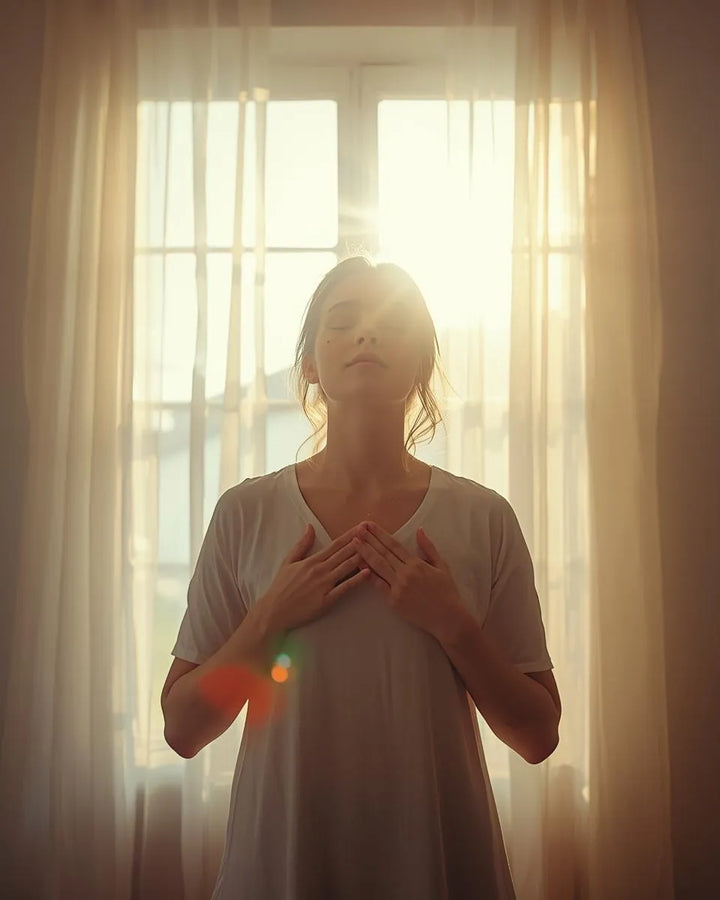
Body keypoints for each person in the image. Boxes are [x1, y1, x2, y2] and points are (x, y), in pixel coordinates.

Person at [161, 255, 561, 899]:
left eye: (390, 325)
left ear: (422, 363)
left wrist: (453, 626)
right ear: (311, 364)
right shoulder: (247, 511)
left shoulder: (483, 516)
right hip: (282, 863)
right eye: (342, 323)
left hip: (441, 865)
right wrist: (271, 617)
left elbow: (538, 736)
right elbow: (183, 729)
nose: (366, 336)